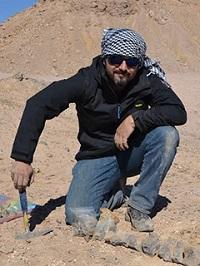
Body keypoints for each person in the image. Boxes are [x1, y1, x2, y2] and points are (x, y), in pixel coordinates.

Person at [10, 28, 187, 232]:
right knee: (78, 214)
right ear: (104, 59)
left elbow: (177, 112)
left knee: (167, 135)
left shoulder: (146, 80)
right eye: (116, 59)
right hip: (96, 156)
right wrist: (23, 158)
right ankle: (116, 192)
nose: (123, 67)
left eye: (131, 63)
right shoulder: (86, 80)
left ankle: (139, 206)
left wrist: (135, 120)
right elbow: (38, 104)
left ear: (139, 64)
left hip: (131, 152)